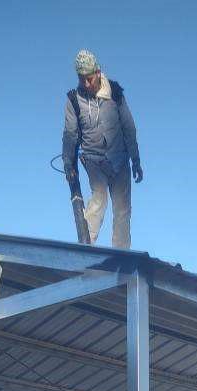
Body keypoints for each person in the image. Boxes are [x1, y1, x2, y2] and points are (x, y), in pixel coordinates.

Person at [62, 49, 143, 249]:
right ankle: (86, 249)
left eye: (89, 79)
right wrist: (68, 163)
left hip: (119, 160)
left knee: (122, 209)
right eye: (82, 80)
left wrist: (136, 160)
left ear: (98, 72)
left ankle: (121, 254)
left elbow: (129, 127)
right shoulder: (74, 100)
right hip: (93, 159)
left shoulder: (115, 93)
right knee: (99, 199)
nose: (86, 84)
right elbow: (70, 134)